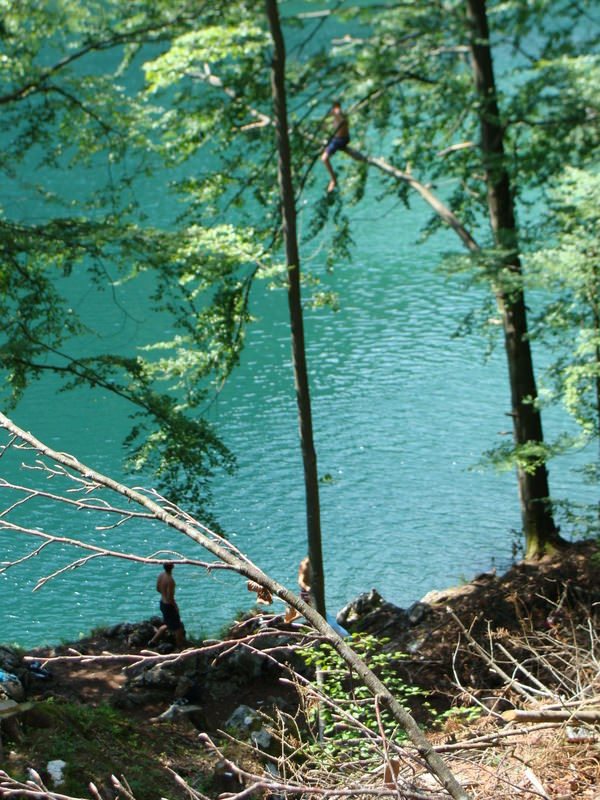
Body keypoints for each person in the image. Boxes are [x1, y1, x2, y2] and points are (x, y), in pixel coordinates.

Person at [149, 562, 186, 648]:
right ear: (172, 567)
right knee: (178, 627)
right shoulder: (170, 580)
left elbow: (158, 589)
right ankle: (180, 647)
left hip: (162, 603)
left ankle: (152, 641)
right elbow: (170, 598)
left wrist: (164, 594)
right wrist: (175, 607)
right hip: (169, 606)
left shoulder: (161, 575)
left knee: (167, 624)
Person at [321, 100, 350, 192]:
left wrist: (336, 112)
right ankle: (327, 146)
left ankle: (333, 179)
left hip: (340, 140)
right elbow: (328, 117)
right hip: (337, 139)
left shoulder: (340, 112)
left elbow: (339, 113)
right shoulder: (336, 113)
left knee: (324, 159)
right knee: (325, 144)